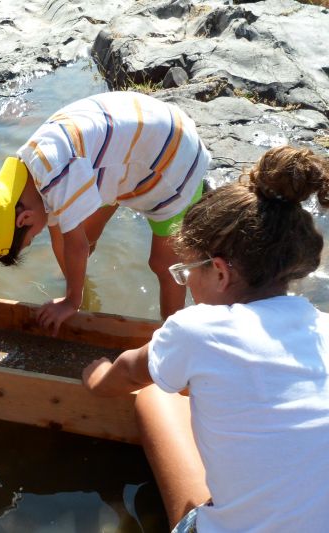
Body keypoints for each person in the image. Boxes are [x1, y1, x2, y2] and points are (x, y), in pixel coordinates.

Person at [81, 145, 329, 531]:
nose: (186, 283)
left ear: (218, 272)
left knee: (154, 394)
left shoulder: (197, 329)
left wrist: (95, 379)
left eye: (186, 272)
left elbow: (129, 372)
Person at [0, 91, 211, 333]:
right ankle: (78, 284)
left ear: (24, 218)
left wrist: (72, 301)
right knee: (83, 237)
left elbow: (74, 246)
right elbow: (64, 238)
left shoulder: (57, 175)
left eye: (32, 238)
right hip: (126, 149)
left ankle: (171, 336)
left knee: (165, 264)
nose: (36, 237)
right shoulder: (27, 176)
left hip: (172, 160)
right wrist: (73, 285)